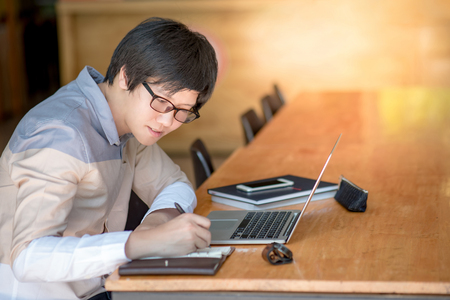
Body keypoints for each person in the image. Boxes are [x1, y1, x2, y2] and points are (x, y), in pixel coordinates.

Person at [0, 17, 218, 300]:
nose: (166, 121)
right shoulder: (59, 133)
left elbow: (175, 184)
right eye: (162, 102)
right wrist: (140, 242)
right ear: (126, 76)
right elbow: (29, 258)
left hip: (98, 286)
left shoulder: (130, 123)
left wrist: (157, 221)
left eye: (182, 111)